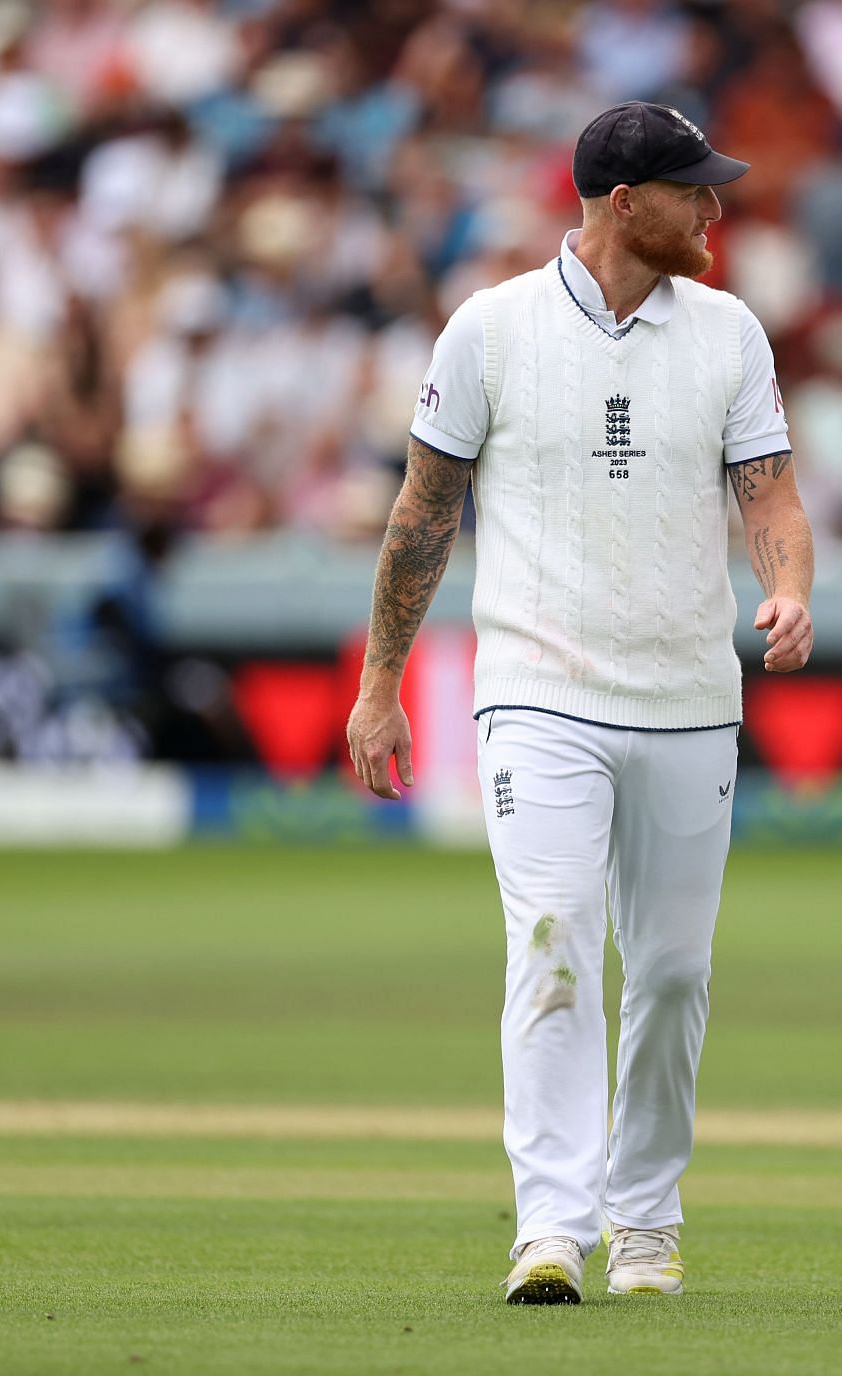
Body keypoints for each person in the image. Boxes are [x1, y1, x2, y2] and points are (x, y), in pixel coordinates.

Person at [345, 101, 814, 1306]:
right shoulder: (489, 330)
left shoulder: (731, 331)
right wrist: (380, 685)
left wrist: (789, 586)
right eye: (693, 190)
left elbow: (767, 491)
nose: (715, 209)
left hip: (689, 698)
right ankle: (552, 1225)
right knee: (552, 942)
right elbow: (421, 515)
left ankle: (646, 1216)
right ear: (622, 202)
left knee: (668, 972)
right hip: (536, 692)